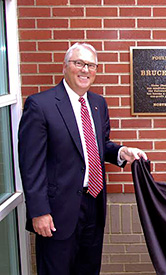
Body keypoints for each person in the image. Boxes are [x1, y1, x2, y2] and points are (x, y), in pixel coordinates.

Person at [18, 43, 147, 275]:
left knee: (88, 269)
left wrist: (121, 152)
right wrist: (39, 211)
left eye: (91, 65)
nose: (85, 70)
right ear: (65, 67)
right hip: (57, 211)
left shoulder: (98, 104)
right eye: (79, 63)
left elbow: (98, 146)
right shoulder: (41, 105)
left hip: (93, 205)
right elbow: (31, 165)